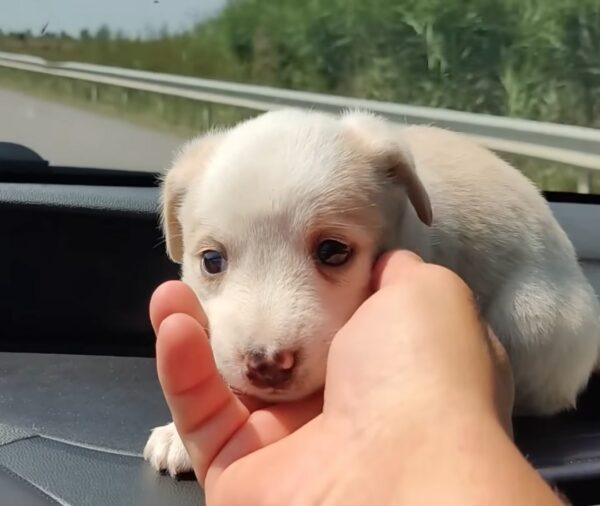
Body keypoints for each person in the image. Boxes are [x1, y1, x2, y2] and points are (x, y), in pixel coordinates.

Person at [149, 250, 564, 505]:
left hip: (550, 339)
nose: (270, 345)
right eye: (214, 262)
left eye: (330, 252)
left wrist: (443, 430)